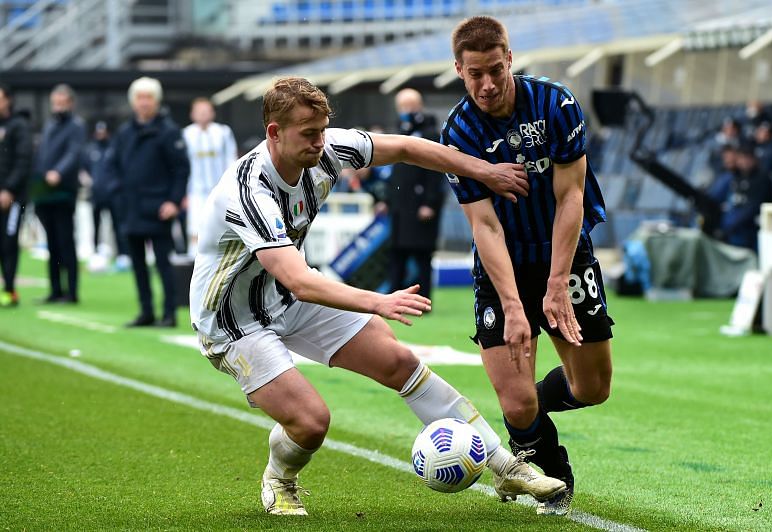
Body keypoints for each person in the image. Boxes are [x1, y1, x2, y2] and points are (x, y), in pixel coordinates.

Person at [189, 76, 563, 516]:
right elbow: (299, 280)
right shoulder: (248, 190)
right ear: (275, 132)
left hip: (287, 298)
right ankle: (279, 478)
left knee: (399, 362)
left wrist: (483, 170)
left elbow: (407, 147)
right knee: (310, 423)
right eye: (309, 134)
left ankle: (504, 465)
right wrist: (377, 301)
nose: (320, 143)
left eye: (323, 130)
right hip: (234, 321)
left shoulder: (326, 149)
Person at [441, 16, 614, 516]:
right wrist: (515, 305)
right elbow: (485, 227)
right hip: (502, 268)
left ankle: (531, 410)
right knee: (516, 405)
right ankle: (552, 478)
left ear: (510, 59)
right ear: (459, 70)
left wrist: (557, 283)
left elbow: (570, 196)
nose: (488, 84)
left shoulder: (556, 104)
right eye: (475, 74)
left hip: (564, 252)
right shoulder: (459, 131)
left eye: (495, 70)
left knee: (593, 388)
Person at [107, 77, 190, 327]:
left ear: (157, 101)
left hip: (159, 209)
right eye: (140, 98)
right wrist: (116, 193)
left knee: (163, 264)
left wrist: (173, 201)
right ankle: (146, 311)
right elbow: (113, 166)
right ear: (133, 102)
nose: (144, 103)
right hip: (130, 207)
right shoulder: (125, 132)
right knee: (138, 264)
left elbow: (181, 169)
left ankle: (169, 313)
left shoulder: (169, 131)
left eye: (148, 97)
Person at [382, 88, 445, 300]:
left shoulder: (430, 134)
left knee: (422, 255)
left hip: (421, 208)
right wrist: (385, 200)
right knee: (397, 254)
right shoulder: (398, 131)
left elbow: (435, 174)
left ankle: (424, 298)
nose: (406, 111)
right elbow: (392, 174)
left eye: (410, 106)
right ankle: (394, 297)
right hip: (400, 208)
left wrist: (429, 203)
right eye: (402, 107)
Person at [33, 84, 86, 304]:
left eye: (62, 103)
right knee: (52, 243)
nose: (58, 107)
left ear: (70, 104)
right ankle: (55, 289)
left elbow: (73, 153)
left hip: (63, 190)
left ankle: (71, 291)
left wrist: (58, 172)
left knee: (66, 241)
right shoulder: (50, 125)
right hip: (44, 190)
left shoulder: (76, 125)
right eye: (56, 103)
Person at [182, 97, 238, 255]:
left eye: (206, 111)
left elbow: (230, 159)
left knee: (223, 224)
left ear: (212, 113)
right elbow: (184, 165)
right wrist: (185, 193)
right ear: (192, 114)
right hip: (196, 190)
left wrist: (231, 187)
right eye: (199, 112)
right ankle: (194, 260)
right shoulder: (186, 134)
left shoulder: (223, 132)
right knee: (195, 227)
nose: (202, 115)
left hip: (220, 189)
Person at [0, 83, 33, 307]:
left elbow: (23, 161)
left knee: (9, 242)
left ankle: (10, 290)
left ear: (8, 100)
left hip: (12, 198)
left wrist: (9, 189)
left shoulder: (19, 126)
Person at [709, 142, 772, 251]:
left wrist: (728, 229)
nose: (744, 161)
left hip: (753, 230)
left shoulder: (763, 178)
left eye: (747, 157)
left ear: (754, 159)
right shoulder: (736, 176)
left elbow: (752, 209)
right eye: (741, 157)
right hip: (734, 228)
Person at [83, 121, 129, 269]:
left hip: (114, 194)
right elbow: (83, 169)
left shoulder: (115, 148)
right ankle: (96, 252)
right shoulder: (91, 149)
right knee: (96, 225)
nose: (101, 135)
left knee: (117, 225)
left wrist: (116, 185)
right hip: (96, 194)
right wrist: (89, 182)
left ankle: (122, 254)